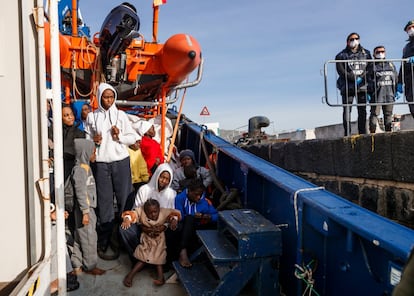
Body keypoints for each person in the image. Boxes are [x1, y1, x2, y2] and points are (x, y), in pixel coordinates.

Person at [84, 82, 139, 260]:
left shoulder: (121, 116)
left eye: (111, 97)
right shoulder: (92, 117)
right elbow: (87, 140)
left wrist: (119, 136)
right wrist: (94, 140)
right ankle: (105, 238)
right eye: (105, 97)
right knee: (105, 202)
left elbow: (133, 138)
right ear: (99, 97)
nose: (108, 100)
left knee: (125, 199)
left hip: (120, 162)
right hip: (101, 164)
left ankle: (125, 237)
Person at [119, 163, 176, 262]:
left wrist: (164, 226)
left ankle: (164, 262)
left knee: (176, 229)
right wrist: (141, 225)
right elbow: (136, 211)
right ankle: (138, 258)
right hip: (143, 225)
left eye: (167, 179)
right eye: (162, 177)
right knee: (124, 229)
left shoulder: (171, 194)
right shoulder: (144, 190)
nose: (164, 181)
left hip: (160, 228)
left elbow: (171, 213)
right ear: (157, 175)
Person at [121, 199, 181, 287]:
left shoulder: (164, 212)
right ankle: (130, 275)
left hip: (159, 240)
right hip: (147, 239)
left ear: (159, 209)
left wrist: (174, 220)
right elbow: (133, 214)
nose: (153, 215)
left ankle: (161, 278)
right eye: (150, 213)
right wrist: (127, 219)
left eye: (155, 212)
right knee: (143, 257)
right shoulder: (141, 212)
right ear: (145, 211)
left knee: (159, 257)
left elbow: (174, 214)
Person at [70, 138, 106, 276]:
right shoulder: (80, 170)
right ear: (85, 153)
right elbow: (81, 191)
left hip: (85, 209)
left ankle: (77, 265)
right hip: (85, 209)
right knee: (90, 237)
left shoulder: (84, 167)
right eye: (93, 152)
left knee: (80, 237)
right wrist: (85, 211)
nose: (95, 155)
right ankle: (90, 266)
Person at [174, 178, 218, 268]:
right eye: (196, 194)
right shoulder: (180, 199)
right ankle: (183, 251)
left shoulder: (204, 202)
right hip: (186, 228)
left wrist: (207, 216)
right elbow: (180, 216)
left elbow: (216, 215)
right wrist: (193, 216)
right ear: (189, 191)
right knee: (189, 219)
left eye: (200, 195)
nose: (198, 197)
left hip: (200, 227)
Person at [335, 32, 373, 136]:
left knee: (362, 111)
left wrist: (361, 78)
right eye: (351, 39)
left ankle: (362, 133)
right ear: (347, 42)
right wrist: (353, 78)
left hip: (362, 87)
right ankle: (347, 133)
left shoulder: (367, 53)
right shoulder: (341, 55)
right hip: (348, 87)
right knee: (347, 111)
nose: (354, 41)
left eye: (356, 38)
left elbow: (370, 68)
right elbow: (341, 70)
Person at [48, 104, 85, 181]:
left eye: (71, 114)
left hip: (73, 169)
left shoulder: (79, 133)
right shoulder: (52, 131)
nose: (70, 117)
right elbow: (50, 146)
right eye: (66, 115)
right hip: (57, 168)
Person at [369, 46, 398, 133]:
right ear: (374, 54)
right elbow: (367, 80)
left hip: (389, 94)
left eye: (382, 51)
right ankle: (372, 134)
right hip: (377, 95)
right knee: (374, 114)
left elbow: (396, 78)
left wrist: (397, 90)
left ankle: (388, 134)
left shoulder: (391, 64)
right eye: (378, 52)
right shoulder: (371, 66)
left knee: (388, 115)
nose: (380, 53)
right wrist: (369, 92)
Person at [396, 20, 414, 118]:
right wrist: (399, 82)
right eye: (408, 28)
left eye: (412, 27)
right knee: (412, 106)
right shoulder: (406, 47)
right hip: (409, 81)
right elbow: (403, 65)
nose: (411, 30)